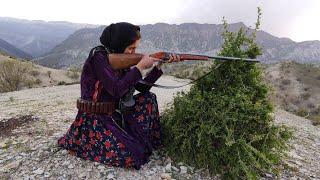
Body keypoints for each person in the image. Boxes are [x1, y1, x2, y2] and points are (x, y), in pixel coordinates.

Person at [57, 22, 180, 169]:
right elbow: (116, 89)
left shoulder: (119, 59)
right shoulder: (99, 57)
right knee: (131, 156)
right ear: (119, 43)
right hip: (96, 118)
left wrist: (158, 66)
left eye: (135, 48)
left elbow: (140, 86)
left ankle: (148, 141)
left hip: (116, 112)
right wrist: (140, 67)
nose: (133, 52)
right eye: (131, 48)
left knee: (149, 99)